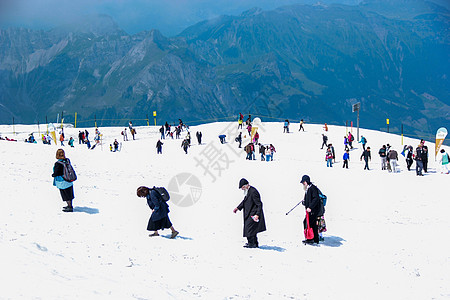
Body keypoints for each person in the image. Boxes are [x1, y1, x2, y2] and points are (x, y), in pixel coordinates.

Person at [233, 178, 266, 248]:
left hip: (253, 213)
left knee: (249, 229)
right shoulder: (248, 191)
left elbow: (259, 204)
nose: (242, 189)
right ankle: (253, 243)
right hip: (249, 213)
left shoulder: (253, 192)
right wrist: (238, 208)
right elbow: (245, 201)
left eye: (242, 187)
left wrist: (257, 214)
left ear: (246, 185)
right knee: (251, 229)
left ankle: (252, 244)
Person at [300, 175, 323, 245]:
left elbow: (316, 199)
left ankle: (310, 238)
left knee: (307, 223)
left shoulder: (312, 188)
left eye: (303, 182)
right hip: (310, 210)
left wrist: (310, 207)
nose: (303, 184)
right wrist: (304, 202)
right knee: (313, 224)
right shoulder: (308, 188)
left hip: (313, 210)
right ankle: (315, 239)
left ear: (306, 181)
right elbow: (309, 198)